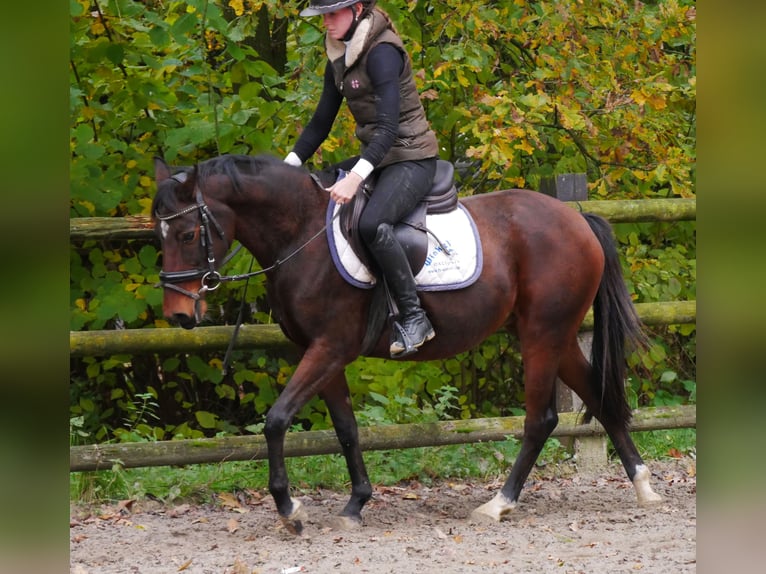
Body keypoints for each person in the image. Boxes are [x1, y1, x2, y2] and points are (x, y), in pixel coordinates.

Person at [284, 0, 440, 358]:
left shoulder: (383, 53)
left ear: (356, 9)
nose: (326, 22)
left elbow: (387, 130)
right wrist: (288, 165)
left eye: (331, 14)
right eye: (322, 16)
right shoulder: (340, 56)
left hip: (411, 157)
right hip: (380, 158)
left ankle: (415, 317)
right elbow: (320, 124)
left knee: (372, 224)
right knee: (317, 184)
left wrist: (355, 177)